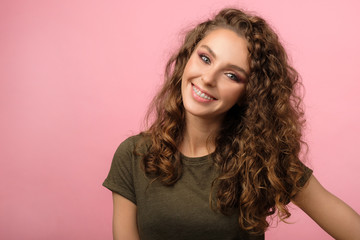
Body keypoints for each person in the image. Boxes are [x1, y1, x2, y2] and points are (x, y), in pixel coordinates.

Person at [103, 8, 360, 240]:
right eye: (205, 58)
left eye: (231, 75)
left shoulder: (263, 160)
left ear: (249, 93)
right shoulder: (133, 155)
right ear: (187, 59)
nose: (208, 78)